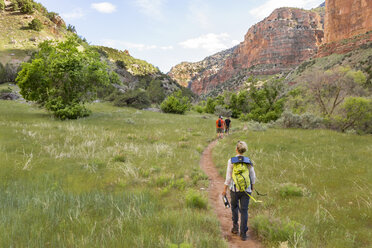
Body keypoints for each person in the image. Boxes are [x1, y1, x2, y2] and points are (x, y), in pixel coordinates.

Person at [222, 141, 256, 241]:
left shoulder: (231, 161)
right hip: (246, 190)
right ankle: (243, 234)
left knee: (234, 207)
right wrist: (252, 186)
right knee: (244, 210)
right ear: (244, 150)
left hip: (234, 189)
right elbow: (253, 176)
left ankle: (235, 228)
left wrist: (224, 189)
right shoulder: (248, 161)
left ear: (236, 149)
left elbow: (228, 177)